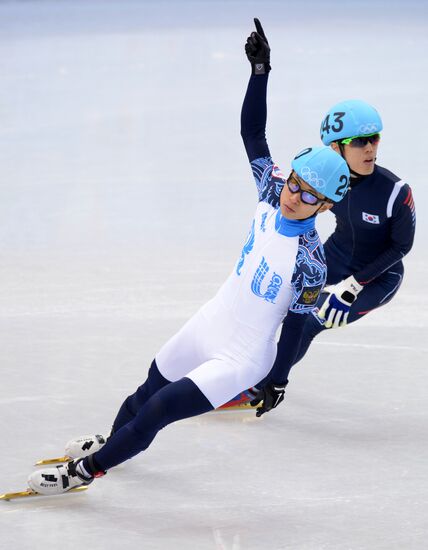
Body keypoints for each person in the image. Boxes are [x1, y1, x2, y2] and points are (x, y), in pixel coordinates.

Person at [27, 19, 350, 495]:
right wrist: (260, 72)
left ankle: (84, 473)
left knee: (160, 411)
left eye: (307, 196)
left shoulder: (311, 261)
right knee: (148, 388)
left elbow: (298, 325)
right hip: (212, 319)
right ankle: (115, 440)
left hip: (242, 356)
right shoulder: (271, 189)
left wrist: (277, 380)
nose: (293, 196)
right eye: (295, 182)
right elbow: (252, 135)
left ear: (325, 207)